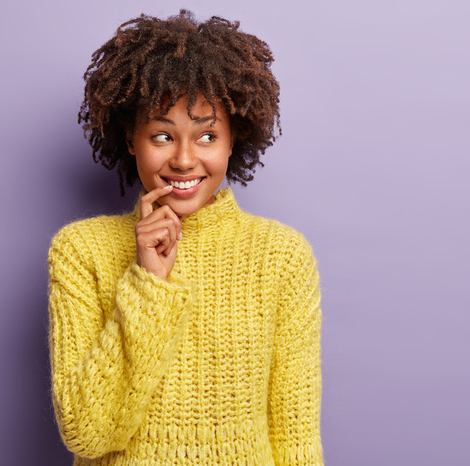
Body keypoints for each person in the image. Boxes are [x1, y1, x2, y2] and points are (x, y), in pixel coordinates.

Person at [47, 10, 323, 465]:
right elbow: (87, 434)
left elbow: (296, 438)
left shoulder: (283, 256)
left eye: (207, 135)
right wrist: (148, 283)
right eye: (161, 135)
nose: (183, 159)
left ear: (235, 139)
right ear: (131, 139)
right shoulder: (81, 251)